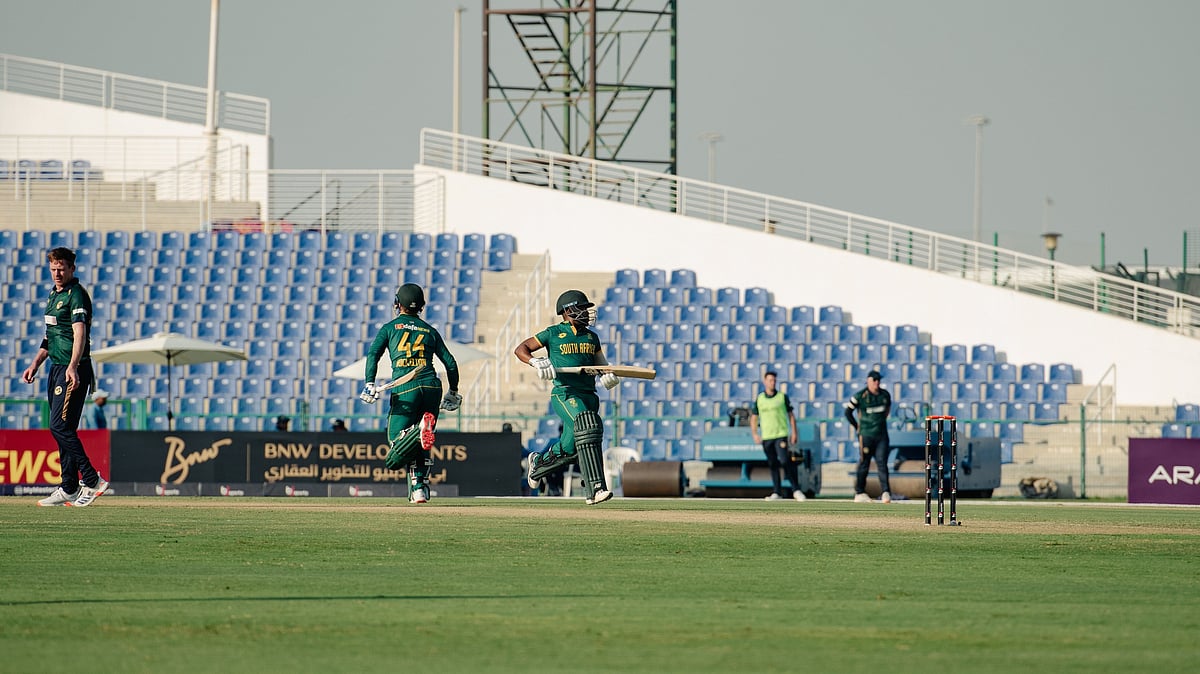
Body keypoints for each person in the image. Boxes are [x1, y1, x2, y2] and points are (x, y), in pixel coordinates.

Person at [360, 283, 461, 504]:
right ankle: (419, 488)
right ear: (422, 306)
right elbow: (450, 363)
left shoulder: (389, 328)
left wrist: (369, 382)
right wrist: (453, 391)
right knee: (420, 443)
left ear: (397, 304)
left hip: (406, 386)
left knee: (395, 444)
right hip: (432, 386)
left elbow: (373, 354)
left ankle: (418, 431)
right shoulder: (430, 330)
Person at [22, 247, 108, 507]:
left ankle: (92, 480)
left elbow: (79, 333)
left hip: (73, 369)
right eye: (53, 269)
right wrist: (35, 364)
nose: (57, 274)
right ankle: (69, 487)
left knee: (58, 426)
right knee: (64, 428)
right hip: (56, 368)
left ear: (72, 268)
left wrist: (72, 365)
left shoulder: (76, 295)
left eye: (61, 269)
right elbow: (50, 336)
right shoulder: (53, 295)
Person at [515, 289, 618, 505]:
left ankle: (538, 464)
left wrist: (607, 374)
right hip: (565, 392)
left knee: (571, 448)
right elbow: (521, 349)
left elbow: (601, 364)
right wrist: (535, 361)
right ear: (567, 311)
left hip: (589, 395)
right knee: (588, 427)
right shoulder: (553, 333)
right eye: (581, 308)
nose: (586, 313)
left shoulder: (592, 337)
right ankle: (595, 488)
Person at [749, 370, 805, 501]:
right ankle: (777, 492)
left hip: (780, 434)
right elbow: (754, 417)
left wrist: (794, 432)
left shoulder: (782, 397)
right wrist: (754, 434)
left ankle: (796, 489)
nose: (772, 383)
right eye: (770, 380)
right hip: (767, 436)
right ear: (765, 382)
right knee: (772, 463)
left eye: (774, 380)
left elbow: (791, 416)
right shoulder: (760, 399)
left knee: (785, 461)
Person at [845, 369, 893, 503]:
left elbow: (887, 410)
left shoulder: (885, 395)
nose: (877, 382)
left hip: (881, 435)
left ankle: (886, 492)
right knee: (864, 463)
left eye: (879, 380)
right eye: (874, 380)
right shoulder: (860, 396)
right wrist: (857, 426)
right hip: (866, 435)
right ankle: (860, 492)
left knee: (882, 463)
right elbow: (848, 412)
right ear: (868, 381)